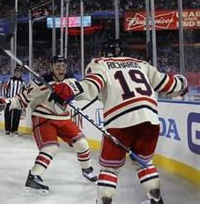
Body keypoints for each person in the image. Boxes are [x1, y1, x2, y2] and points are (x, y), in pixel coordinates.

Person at [50, 38, 189, 204]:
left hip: (120, 122)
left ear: (103, 52)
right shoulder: (140, 64)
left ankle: (104, 201)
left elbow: (91, 86)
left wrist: (70, 89)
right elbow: (168, 84)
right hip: (149, 119)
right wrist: (182, 83)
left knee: (110, 168)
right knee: (144, 162)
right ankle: (155, 199)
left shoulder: (99, 63)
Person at [0, 55, 97, 194]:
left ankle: (87, 169)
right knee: (51, 148)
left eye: (63, 66)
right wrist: (6, 103)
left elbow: (82, 93)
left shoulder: (71, 79)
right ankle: (33, 176)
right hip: (43, 119)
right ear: (51, 67)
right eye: (57, 66)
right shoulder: (40, 82)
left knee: (82, 144)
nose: (61, 69)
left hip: (63, 118)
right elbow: (21, 99)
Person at [1, 66, 26, 136]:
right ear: (14, 73)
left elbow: (24, 92)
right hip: (10, 100)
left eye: (19, 72)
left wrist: (23, 101)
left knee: (17, 116)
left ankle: (15, 130)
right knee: (8, 115)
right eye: (16, 72)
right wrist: (5, 98)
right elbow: (4, 88)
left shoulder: (23, 83)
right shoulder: (10, 80)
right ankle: (7, 130)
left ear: (21, 73)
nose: (18, 73)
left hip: (18, 101)